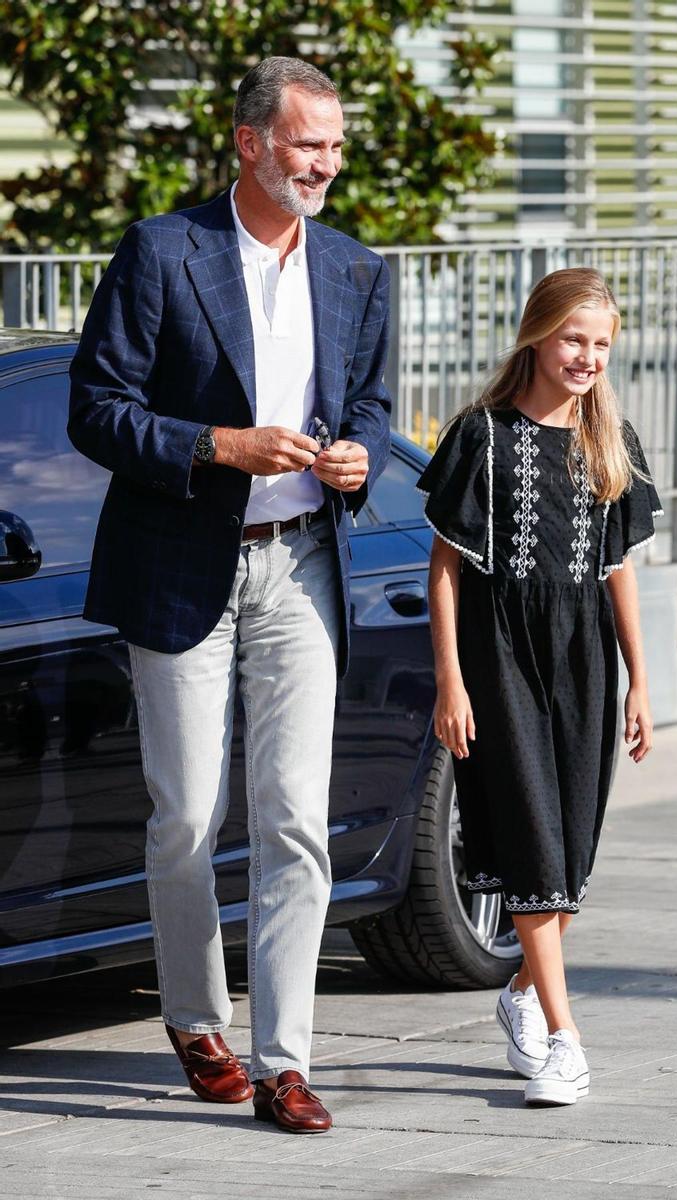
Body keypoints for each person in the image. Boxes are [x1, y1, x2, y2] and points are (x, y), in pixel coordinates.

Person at [67, 57, 391, 1134]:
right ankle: (198, 1020)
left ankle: (285, 1060)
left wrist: (356, 458)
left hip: (302, 565)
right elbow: (96, 410)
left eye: (335, 147)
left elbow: (375, 405)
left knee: (297, 819)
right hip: (182, 567)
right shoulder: (165, 251)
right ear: (249, 143)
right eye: (309, 145)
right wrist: (219, 445)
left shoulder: (355, 270)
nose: (326, 164)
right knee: (186, 819)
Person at [419, 267, 662, 1107]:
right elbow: (446, 569)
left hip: (585, 656)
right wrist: (450, 680)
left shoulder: (612, 442)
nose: (587, 357)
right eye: (573, 339)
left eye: (601, 344)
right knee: (531, 837)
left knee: (571, 853)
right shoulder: (478, 438)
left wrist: (639, 680)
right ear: (535, 333)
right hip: (499, 655)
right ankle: (564, 1037)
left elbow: (618, 568)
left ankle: (523, 989)